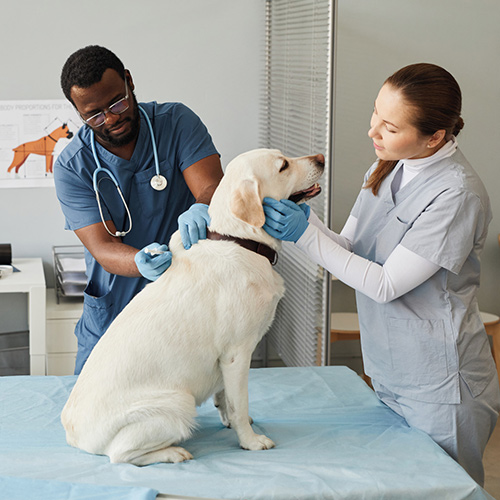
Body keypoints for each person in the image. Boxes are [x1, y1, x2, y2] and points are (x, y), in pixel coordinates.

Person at [263, 63, 500, 486]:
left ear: (435, 137)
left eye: (389, 127)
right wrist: (307, 220)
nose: (373, 131)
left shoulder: (457, 194)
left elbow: (385, 284)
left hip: (441, 384)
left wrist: (302, 236)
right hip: (391, 372)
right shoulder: (391, 164)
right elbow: (350, 251)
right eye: (376, 113)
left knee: (445, 491)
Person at [54, 45, 223, 374]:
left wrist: (203, 207)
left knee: (183, 403)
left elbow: (210, 187)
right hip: (115, 309)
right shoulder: (73, 166)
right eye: (95, 115)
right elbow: (103, 247)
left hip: (185, 300)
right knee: (94, 407)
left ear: (129, 81)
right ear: (78, 112)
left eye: (117, 102)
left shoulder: (176, 123)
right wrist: (139, 262)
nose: (112, 118)